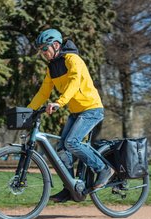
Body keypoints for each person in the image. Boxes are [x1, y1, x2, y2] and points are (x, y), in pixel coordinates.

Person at [27, 28, 115, 203]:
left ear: (56, 45)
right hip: (76, 112)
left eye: (45, 49)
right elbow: (43, 93)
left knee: (71, 142)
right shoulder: (51, 68)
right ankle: (71, 187)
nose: (43, 53)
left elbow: (74, 83)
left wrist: (59, 102)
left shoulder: (73, 59)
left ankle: (104, 169)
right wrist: (28, 111)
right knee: (62, 149)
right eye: (41, 50)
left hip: (92, 109)